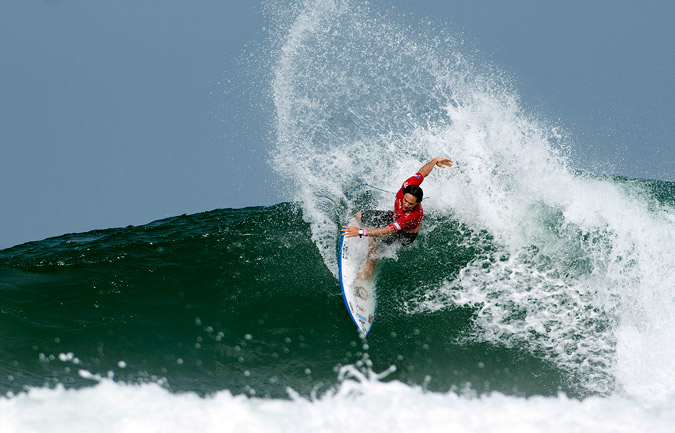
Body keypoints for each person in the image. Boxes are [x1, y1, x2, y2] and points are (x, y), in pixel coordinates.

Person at [341, 157, 453, 279]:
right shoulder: (407, 185)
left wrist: (360, 232)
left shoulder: (411, 215)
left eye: (411, 204)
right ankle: (364, 237)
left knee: (374, 243)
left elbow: (386, 231)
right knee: (359, 216)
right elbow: (423, 173)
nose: (406, 205)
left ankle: (365, 276)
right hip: (395, 217)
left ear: (418, 202)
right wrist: (434, 161)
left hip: (405, 233)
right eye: (405, 200)